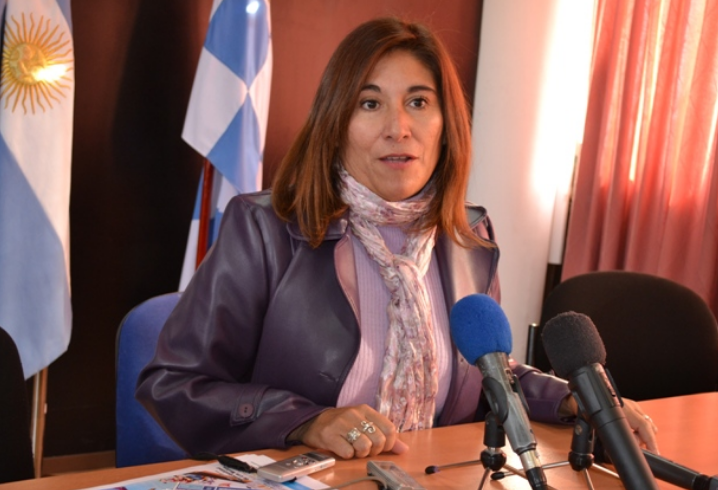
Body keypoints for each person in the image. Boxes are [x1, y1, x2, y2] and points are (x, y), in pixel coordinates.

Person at [136, 17, 658, 460]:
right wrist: (304, 421)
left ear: (445, 124)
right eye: (370, 104)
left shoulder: (467, 237)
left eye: (418, 102)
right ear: (336, 123)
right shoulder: (266, 230)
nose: (398, 127)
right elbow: (173, 384)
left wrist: (573, 398)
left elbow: (487, 371)